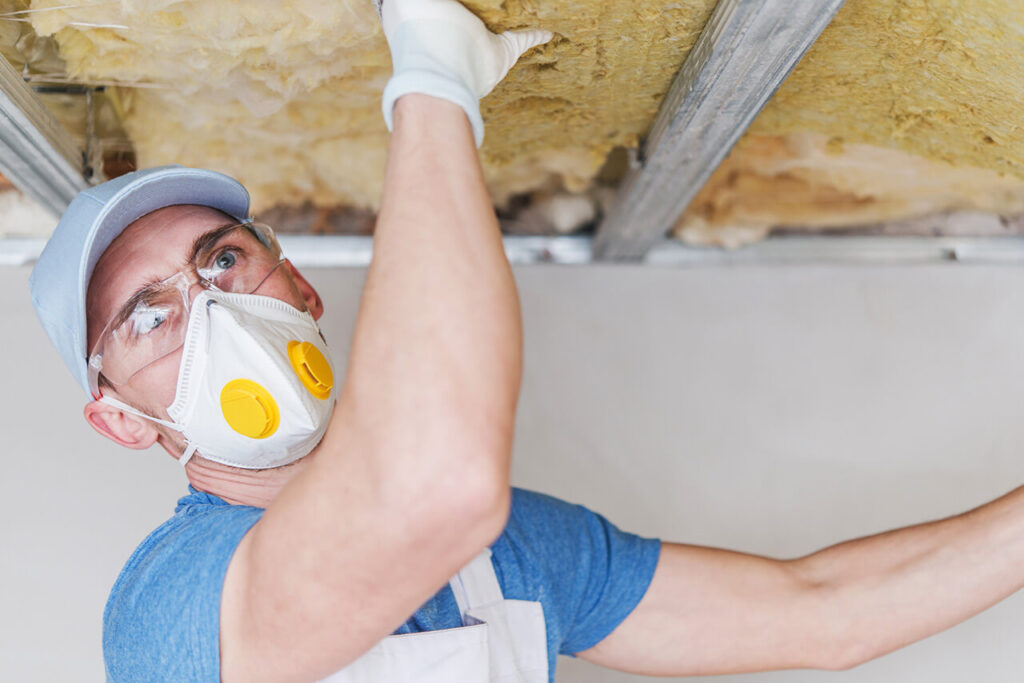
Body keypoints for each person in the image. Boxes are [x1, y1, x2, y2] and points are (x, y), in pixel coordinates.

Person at [27, 1, 1024, 681]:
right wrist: (429, 85)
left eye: (222, 262)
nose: (210, 311)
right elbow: (429, 486)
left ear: (296, 286)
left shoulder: (511, 553)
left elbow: (820, 608)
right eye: (148, 317)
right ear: (118, 416)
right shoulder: (169, 607)